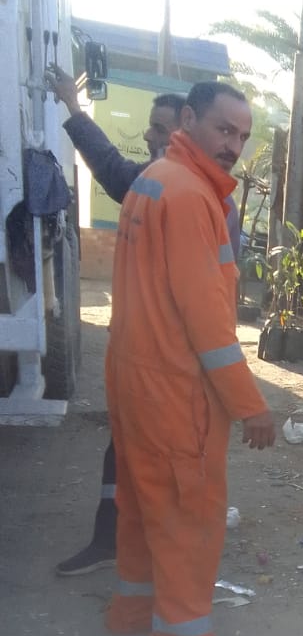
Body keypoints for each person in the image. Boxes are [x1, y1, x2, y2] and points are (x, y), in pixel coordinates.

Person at [104, 81, 275, 636]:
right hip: (173, 386)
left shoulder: (153, 181)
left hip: (133, 373)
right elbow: (208, 322)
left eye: (242, 136)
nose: (233, 146)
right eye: (224, 129)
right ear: (187, 118)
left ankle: (133, 610)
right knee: (187, 514)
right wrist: (250, 405)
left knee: (141, 502)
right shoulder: (191, 197)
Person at [46, 68, 241, 576]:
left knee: (165, 469)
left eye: (159, 126)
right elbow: (115, 170)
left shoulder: (190, 194)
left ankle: (153, 559)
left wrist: (240, 398)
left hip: (172, 370)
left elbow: (210, 308)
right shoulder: (163, 183)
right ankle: (131, 551)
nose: (150, 135)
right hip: (151, 364)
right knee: (139, 463)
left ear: (186, 125)